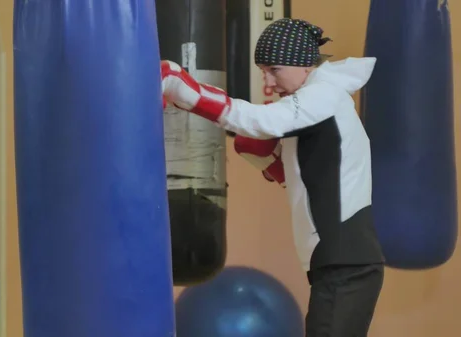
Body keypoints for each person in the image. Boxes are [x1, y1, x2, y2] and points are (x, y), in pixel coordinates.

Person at [161, 18, 385, 337]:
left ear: (303, 64)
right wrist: (273, 163)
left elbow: (259, 121)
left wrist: (183, 88)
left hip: (346, 263)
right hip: (337, 262)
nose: (268, 80)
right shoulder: (318, 107)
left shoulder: (323, 95)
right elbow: (310, 173)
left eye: (274, 69)